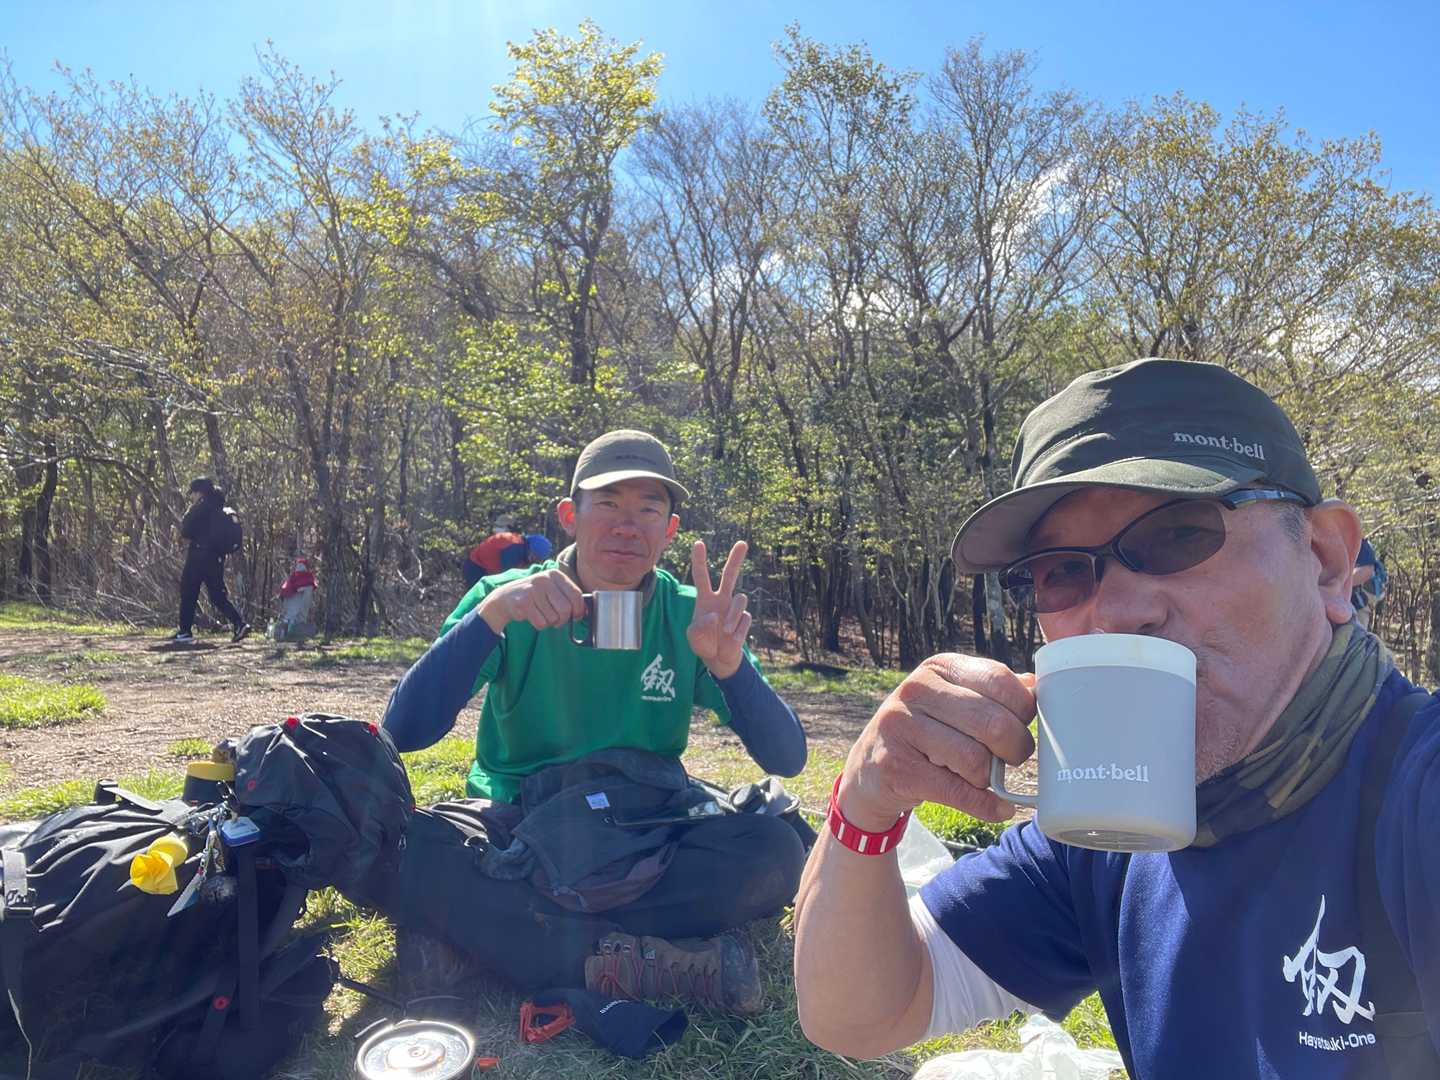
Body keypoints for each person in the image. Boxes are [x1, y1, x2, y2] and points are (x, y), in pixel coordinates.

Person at [793, 359, 1439, 1078]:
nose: (1118, 612)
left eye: (1178, 535)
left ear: (1326, 562)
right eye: (1061, 572)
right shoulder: (1105, 834)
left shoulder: (1417, 795)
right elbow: (860, 1014)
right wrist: (865, 804)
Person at [380, 429, 808, 1013]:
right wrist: (492, 616)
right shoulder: (506, 598)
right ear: (569, 516)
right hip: (520, 821)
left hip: (642, 824)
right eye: (607, 503)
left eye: (648, 509)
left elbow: (787, 758)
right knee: (411, 845)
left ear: (669, 530)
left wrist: (730, 669)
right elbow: (404, 731)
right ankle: (648, 961)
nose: (627, 526)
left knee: (775, 852)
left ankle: (494, 941)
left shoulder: (691, 616)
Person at [173, 477, 250, 644]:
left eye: (193, 493)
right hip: (216, 557)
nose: (191, 496)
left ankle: (185, 631)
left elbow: (186, 530)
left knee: (188, 591)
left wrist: (189, 514)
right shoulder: (219, 506)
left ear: (199, 492)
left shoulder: (200, 507)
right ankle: (239, 623)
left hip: (198, 556)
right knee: (217, 595)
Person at [461, 530, 553, 590]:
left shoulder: (520, 544)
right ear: (530, 549)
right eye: (535, 557)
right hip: (476, 568)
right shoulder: (514, 549)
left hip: (483, 568)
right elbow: (506, 577)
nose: (534, 561)